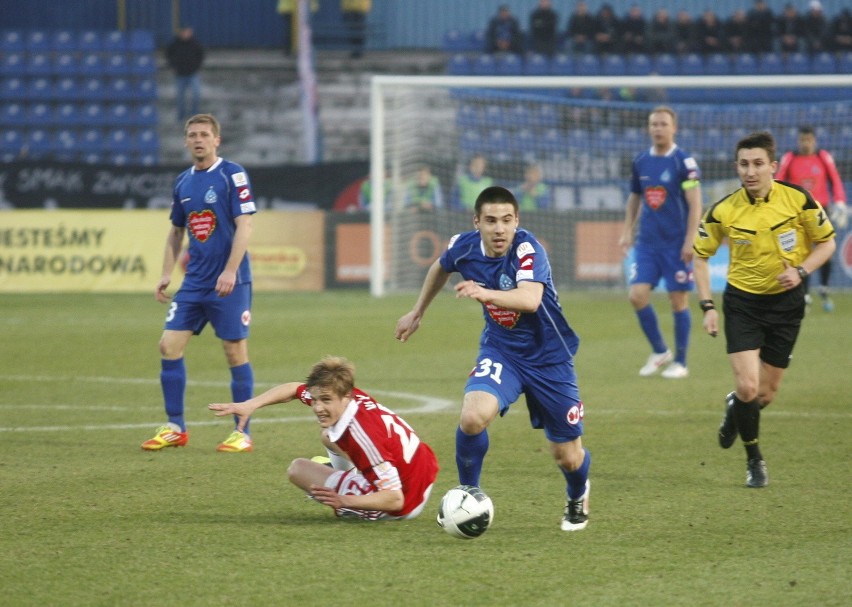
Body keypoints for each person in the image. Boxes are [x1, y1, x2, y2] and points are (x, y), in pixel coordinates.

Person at [395, 186, 592, 532]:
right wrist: (417, 311)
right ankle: (468, 493)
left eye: (506, 220)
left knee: (568, 457)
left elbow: (530, 299)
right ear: (477, 222)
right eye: (490, 221)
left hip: (549, 359)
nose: (499, 229)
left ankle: (578, 494)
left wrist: (483, 292)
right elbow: (440, 268)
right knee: (472, 416)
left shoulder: (529, 250)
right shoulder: (463, 245)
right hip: (502, 350)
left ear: (517, 221)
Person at [693, 131, 836, 488]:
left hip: (787, 305)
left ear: (773, 166)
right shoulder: (723, 209)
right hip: (743, 304)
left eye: (758, 164)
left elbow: (827, 243)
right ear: (736, 167)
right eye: (744, 164)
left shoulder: (798, 199)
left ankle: (734, 411)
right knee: (747, 386)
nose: (750, 171)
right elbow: (699, 257)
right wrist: (708, 305)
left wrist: (801, 271)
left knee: (765, 394)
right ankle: (754, 459)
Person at [142, 114, 257, 454]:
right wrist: (166, 273)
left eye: (204, 134)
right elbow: (177, 230)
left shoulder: (231, 174)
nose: (198, 140)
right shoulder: (183, 182)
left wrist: (231, 270)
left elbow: (244, 226)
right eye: (192, 135)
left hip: (230, 282)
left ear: (216, 140)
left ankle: (241, 432)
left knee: (234, 352)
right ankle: (176, 426)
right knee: (168, 346)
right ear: (185, 141)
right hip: (194, 283)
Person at [209, 356, 439, 520]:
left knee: (298, 470)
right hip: (422, 469)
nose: (318, 407)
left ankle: (350, 491)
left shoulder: (363, 435)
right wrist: (251, 405)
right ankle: (349, 477)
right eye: (316, 399)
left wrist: (343, 500)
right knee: (329, 436)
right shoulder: (345, 394)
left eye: (325, 400)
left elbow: (395, 499)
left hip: (407, 501)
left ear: (345, 396)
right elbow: (293, 389)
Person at [619, 106, 704, 380]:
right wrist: (627, 230)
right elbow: (634, 198)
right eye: (653, 124)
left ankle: (681, 361)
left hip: (676, 243)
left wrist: (690, 239)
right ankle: (659, 351)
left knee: (678, 300)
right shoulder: (641, 161)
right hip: (647, 243)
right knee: (636, 295)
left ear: (674, 127)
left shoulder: (684, 162)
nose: (658, 128)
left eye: (663, 124)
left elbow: (695, 204)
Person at [775, 125, 847, 311]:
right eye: (802, 140)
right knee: (801, 254)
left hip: (821, 210)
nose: (806, 143)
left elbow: (836, 180)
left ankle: (824, 288)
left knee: (825, 249)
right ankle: (804, 295)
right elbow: (778, 181)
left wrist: (839, 201)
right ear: (798, 141)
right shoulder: (790, 158)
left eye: (809, 140)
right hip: (797, 212)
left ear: (814, 140)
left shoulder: (823, 157)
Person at [165, 27, 205, 123]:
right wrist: (173, 66)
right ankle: (180, 116)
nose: (186, 34)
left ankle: (195, 116)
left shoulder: (195, 43)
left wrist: (197, 67)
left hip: (192, 74)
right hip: (180, 75)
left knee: (196, 94)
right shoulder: (175, 44)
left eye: (188, 32)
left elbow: (201, 55)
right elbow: (168, 55)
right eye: (184, 32)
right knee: (180, 98)